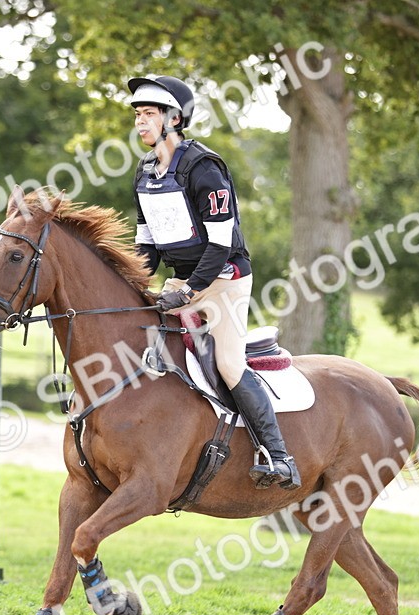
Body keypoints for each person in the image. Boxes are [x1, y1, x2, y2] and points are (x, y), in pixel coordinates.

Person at [129, 75, 300, 490]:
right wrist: (135, 284)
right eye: (137, 115)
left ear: (175, 118)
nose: (140, 123)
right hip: (183, 281)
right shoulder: (145, 171)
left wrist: (190, 290)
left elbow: (221, 244)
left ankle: (278, 456)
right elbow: (146, 244)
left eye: (149, 114)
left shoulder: (203, 167)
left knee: (227, 363)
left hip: (225, 278)